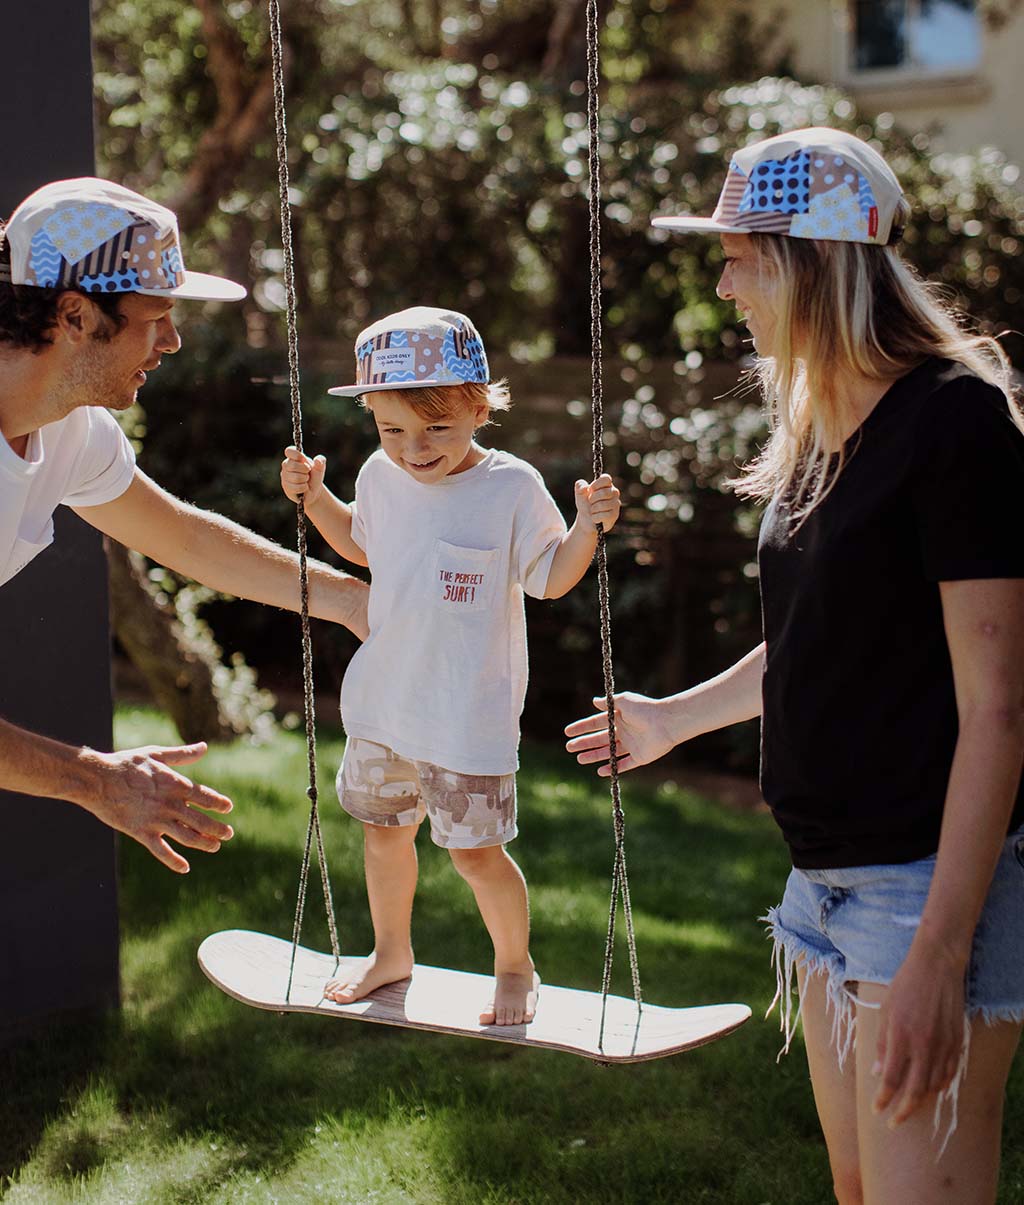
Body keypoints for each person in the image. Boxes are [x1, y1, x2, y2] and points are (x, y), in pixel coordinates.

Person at [565, 128, 1024, 1204]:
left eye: (738, 256)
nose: (723, 285)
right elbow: (823, 636)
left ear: (811, 261)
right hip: (819, 885)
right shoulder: (825, 420)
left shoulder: (954, 422)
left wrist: (940, 954)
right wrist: (673, 718)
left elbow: (998, 709)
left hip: (924, 889)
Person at [0, 177, 369, 874]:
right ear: (74, 315)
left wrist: (352, 601)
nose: (172, 340)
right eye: (155, 316)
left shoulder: (73, 432)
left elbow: (183, 537)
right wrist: (96, 780)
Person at [280, 305, 620, 1025]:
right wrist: (315, 500)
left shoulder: (511, 488)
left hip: (466, 717)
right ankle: (391, 951)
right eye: (392, 428)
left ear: (478, 404)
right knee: (383, 835)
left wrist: (587, 528)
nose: (413, 447)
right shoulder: (378, 473)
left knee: (476, 855)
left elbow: (551, 578)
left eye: (435, 426)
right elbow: (364, 543)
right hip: (384, 706)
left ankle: (515, 964)